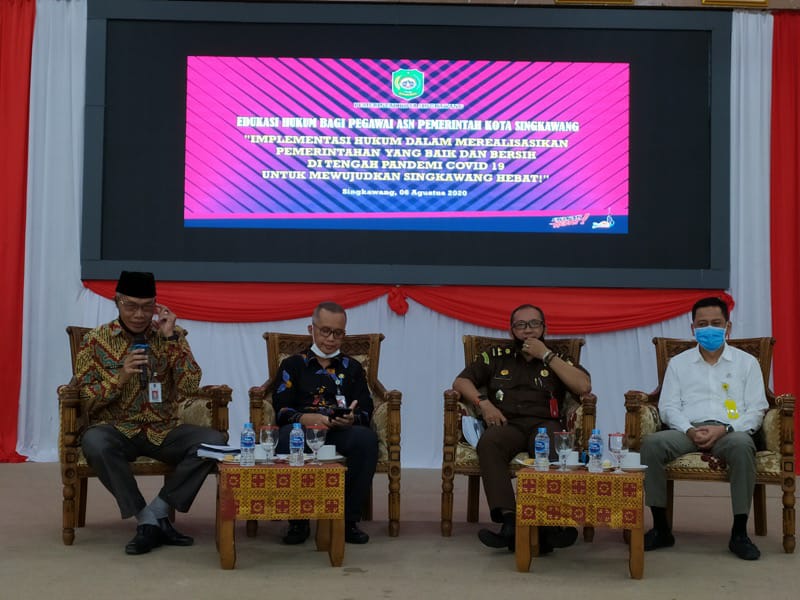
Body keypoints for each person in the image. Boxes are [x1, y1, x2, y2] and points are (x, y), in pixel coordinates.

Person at [77, 271, 226, 555]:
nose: (139, 314)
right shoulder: (96, 340)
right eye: (131, 305)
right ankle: (146, 519)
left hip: (164, 430)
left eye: (147, 306)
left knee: (214, 442)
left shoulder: (170, 336)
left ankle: (157, 512)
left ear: (156, 305)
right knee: (94, 442)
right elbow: (85, 399)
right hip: (118, 429)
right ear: (117, 302)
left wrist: (171, 342)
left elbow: (190, 386)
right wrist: (119, 378)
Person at [453, 304, 592, 552]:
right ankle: (510, 524)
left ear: (544, 328)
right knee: (490, 442)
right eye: (521, 325)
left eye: (534, 324)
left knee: (551, 443)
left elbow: (583, 387)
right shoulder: (495, 356)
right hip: (508, 423)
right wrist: (483, 404)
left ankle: (549, 525)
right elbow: (461, 381)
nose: (528, 331)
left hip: (546, 424)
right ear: (511, 331)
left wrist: (546, 355)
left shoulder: (559, 357)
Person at [640, 296, 768, 560]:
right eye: (703, 324)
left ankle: (739, 533)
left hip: (730, 432)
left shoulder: (747, 363)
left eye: (716, 323)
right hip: (687, 430)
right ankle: (661, 529)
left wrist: (726, 430)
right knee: (652, 444)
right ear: (692, 329)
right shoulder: (679, 363)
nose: (709, 329)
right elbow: (668, 407)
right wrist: (688, 430)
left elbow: (756, 409)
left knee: (744, 445)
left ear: (728, 327)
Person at [272, 301, 378, 545]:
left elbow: (366, 409)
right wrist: (304, 418)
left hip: (340, 430)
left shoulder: (352, 368)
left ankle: (347, 521)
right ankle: (298, 521)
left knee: (366, 440)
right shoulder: (293, 365)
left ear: (344, 334)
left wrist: (351, 418)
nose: (331, 339)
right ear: (312, 329)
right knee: (286, 438)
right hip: (303, 430)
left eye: (338, 333)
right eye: (325, 331)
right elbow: (281, 409)